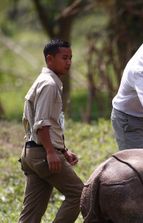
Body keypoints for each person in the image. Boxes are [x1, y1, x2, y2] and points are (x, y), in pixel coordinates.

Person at [19, 39, 83, 223]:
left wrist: (62, 150)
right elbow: (42, 123)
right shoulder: (49, 85)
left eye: (70, 58)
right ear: (49, 59)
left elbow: (46, 123)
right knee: (79, 193)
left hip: (31, 153)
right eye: (64, 58)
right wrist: (50, 152)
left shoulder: (45, 81)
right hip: (42, 154)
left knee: (31, 213)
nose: (69, 62)